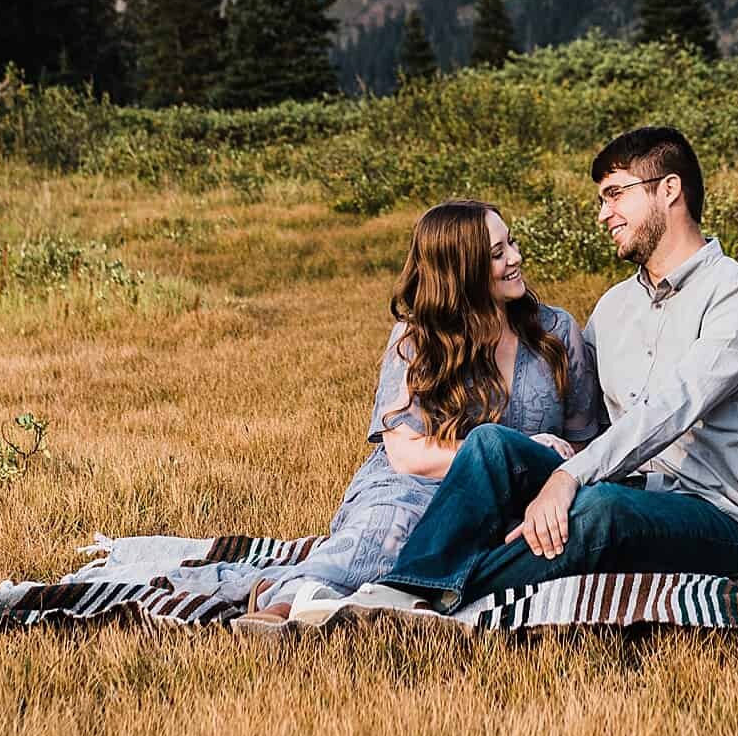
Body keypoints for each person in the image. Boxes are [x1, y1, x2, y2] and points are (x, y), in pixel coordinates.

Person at [364, 125, 738, 615]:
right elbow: (589, 421)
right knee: (490, 444)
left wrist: (568, 478)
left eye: (615, 195)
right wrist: (542, 461)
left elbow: (670, 410)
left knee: (595, 509)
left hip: (719, 519)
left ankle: (424, 598)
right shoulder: (613, 309)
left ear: (668, 190)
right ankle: (409, 584)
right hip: (624, 486)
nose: (603, 213)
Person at [240, 199, 601, 626]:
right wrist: (501, 453)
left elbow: (584, 438)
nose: (516, 259)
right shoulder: (415, 340)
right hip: (419, 482)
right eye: (496, 254)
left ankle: (382, 598)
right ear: (459, 270)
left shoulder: (556, 332)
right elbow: (408, 454)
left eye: (512, 243)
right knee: (392, 526)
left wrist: (549, 465)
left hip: (531, 491)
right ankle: (290, 600)